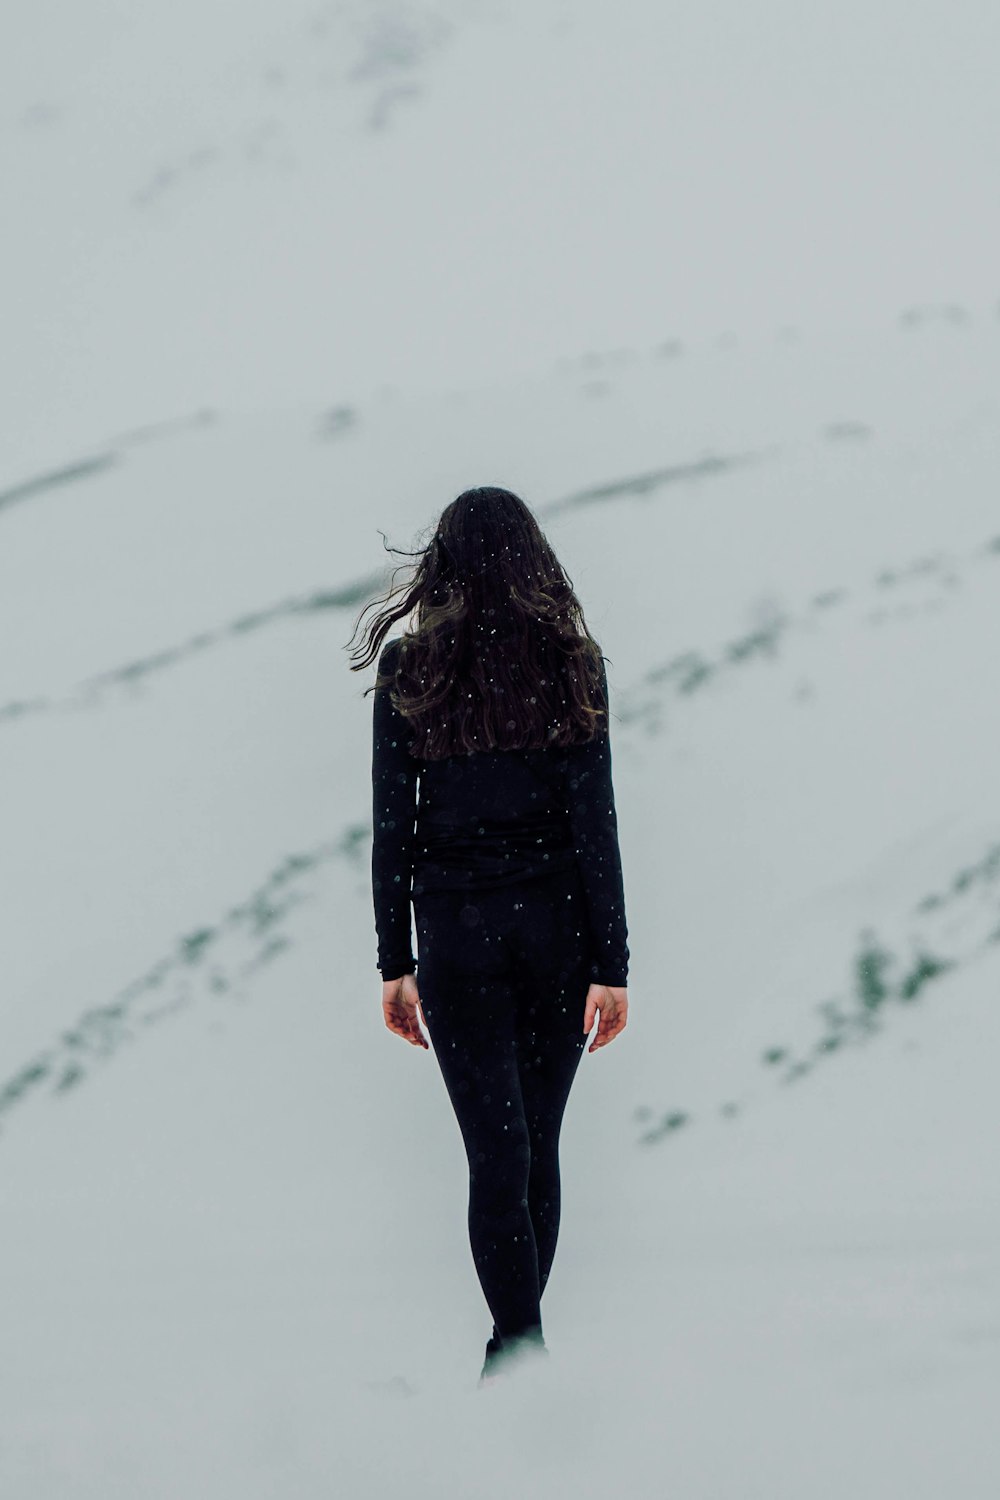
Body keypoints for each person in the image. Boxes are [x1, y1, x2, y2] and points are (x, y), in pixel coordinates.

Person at [348, 486, 630, 1385]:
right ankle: (518, 1355)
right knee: (535, 1146)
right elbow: (597, 823)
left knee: (496, 1149)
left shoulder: (411, 670)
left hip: (458, 936)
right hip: (556, 933)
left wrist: (396, 960)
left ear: (445, 566)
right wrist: (611, 963)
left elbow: (394, 827)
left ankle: (516, 1354)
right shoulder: (572, 664)